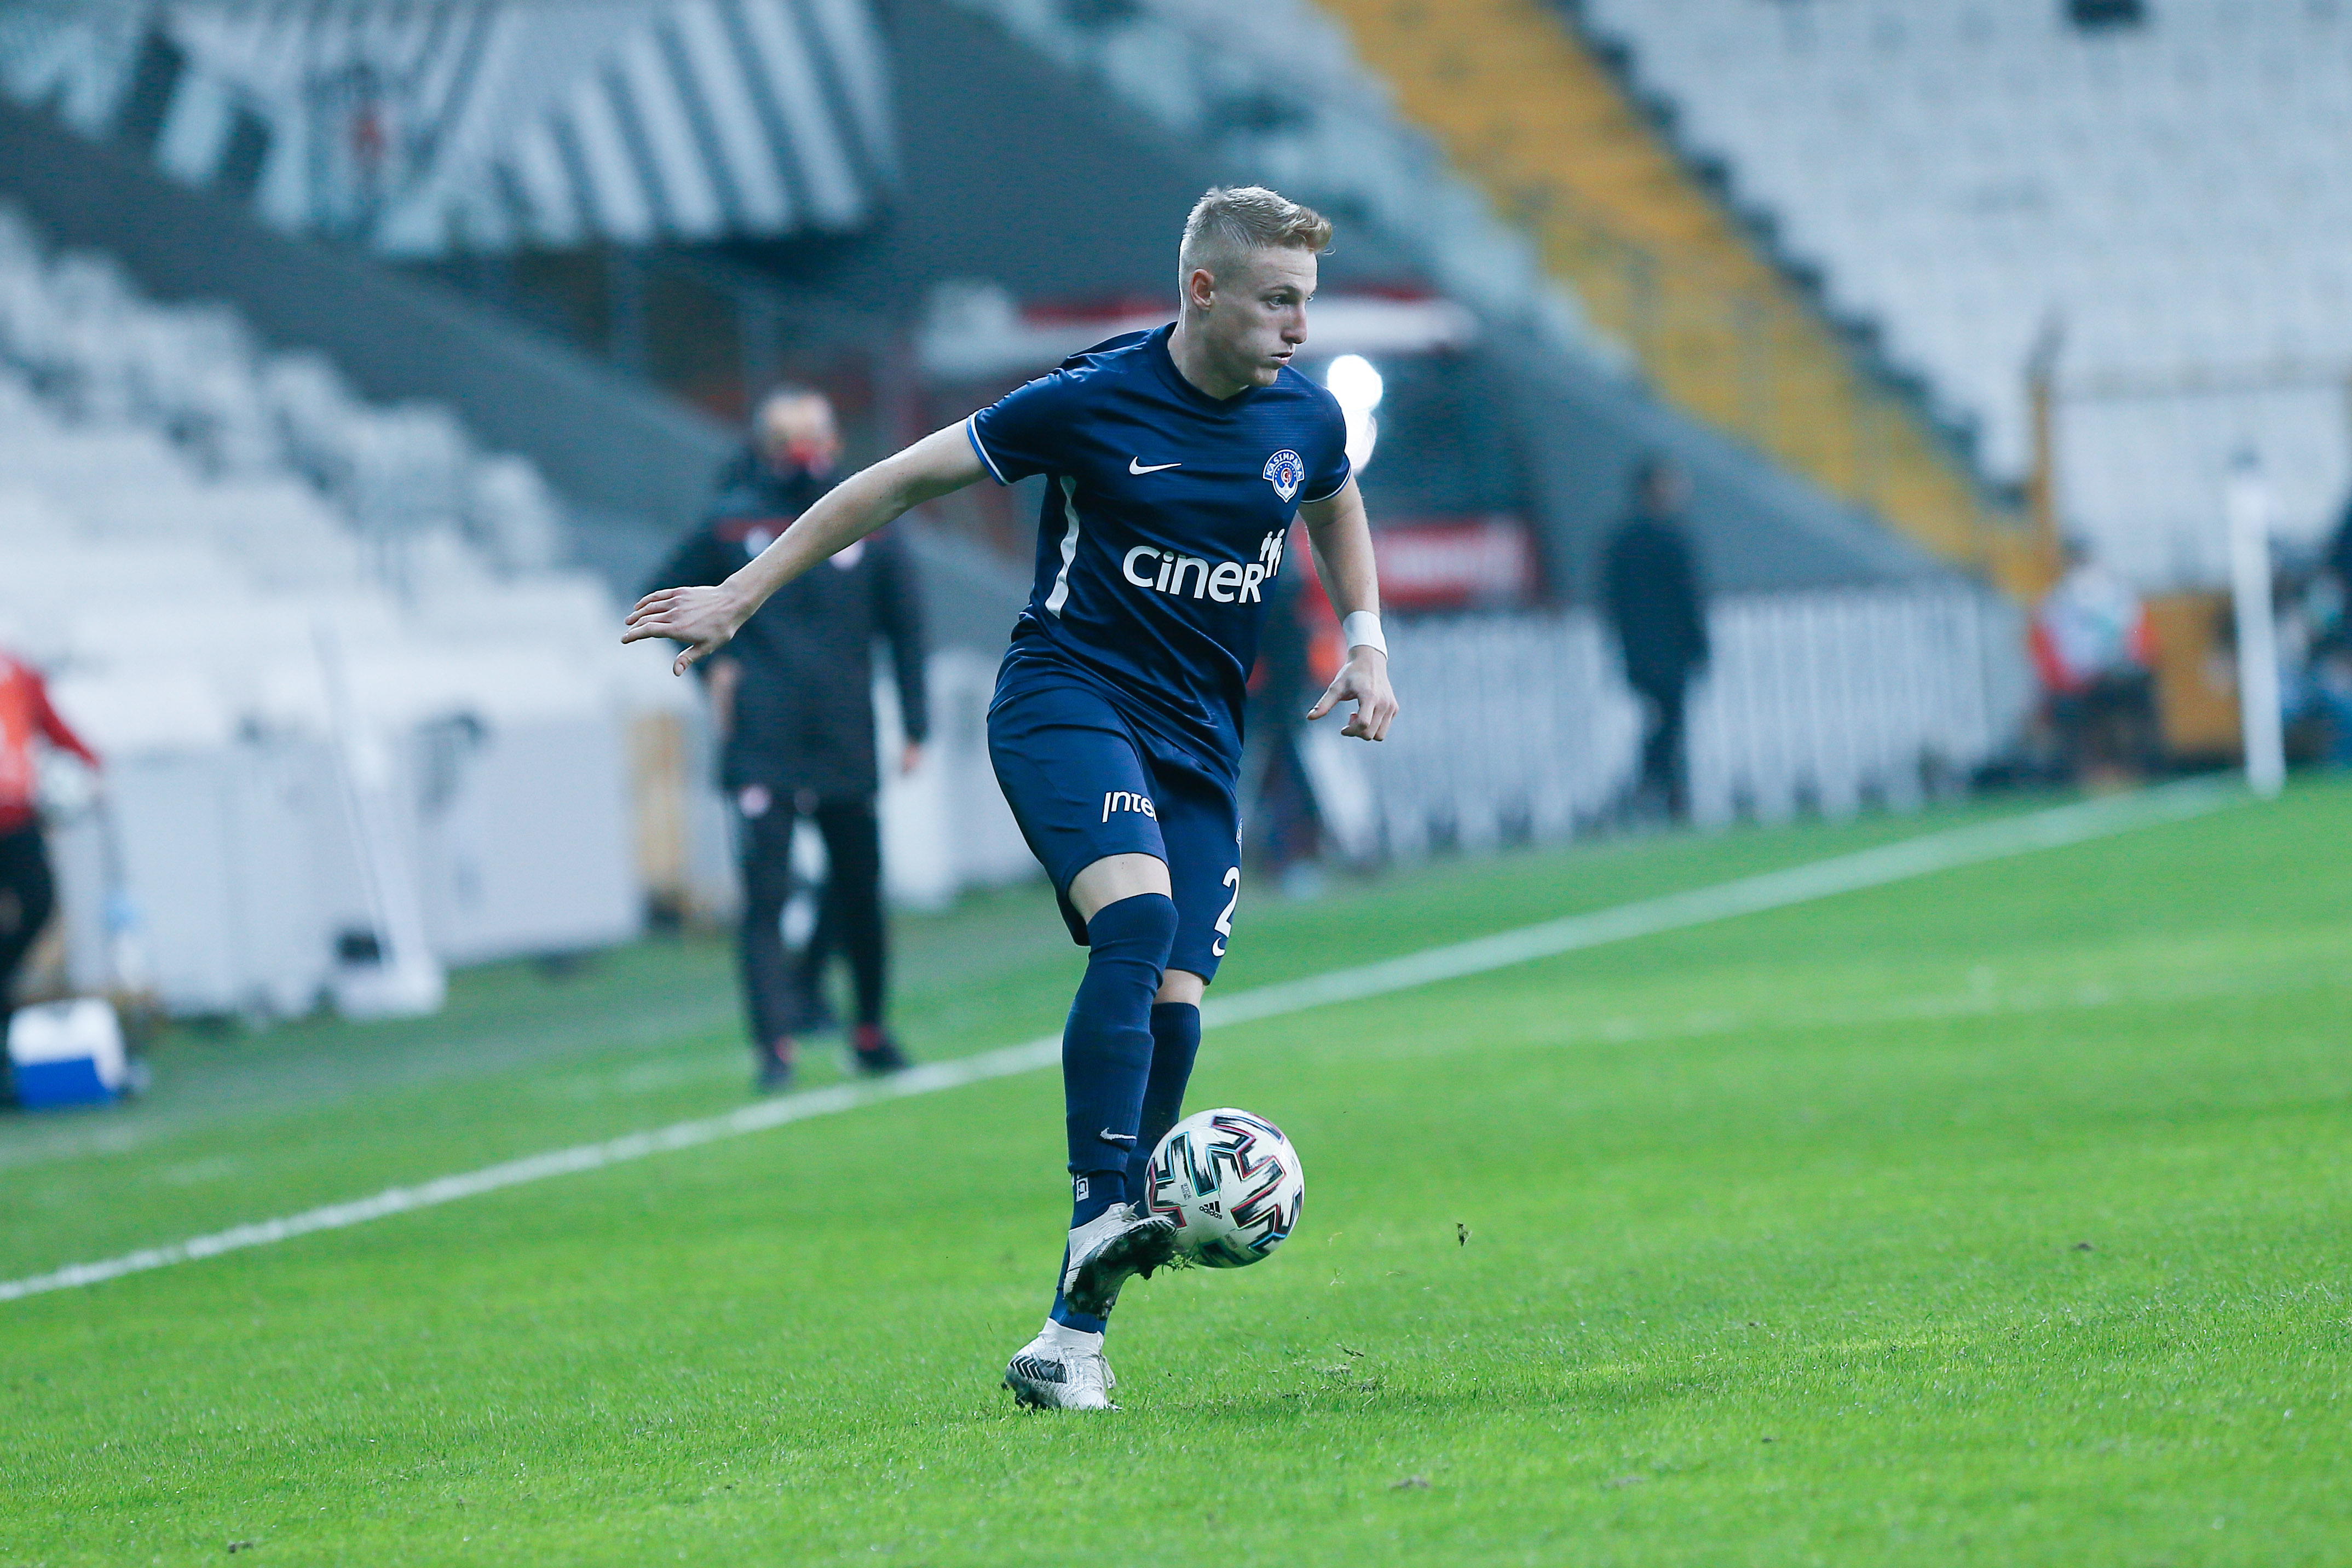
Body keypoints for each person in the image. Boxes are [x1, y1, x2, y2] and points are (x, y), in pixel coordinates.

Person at [626, 186, 1398, 1411]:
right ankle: (1102, 1206)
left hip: (1200, 746)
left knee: (1177, 1014)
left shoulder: (1301, 414)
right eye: (1278, 301)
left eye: (1307, 301)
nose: (1301, 327)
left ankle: (1069, 1341)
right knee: (1137, 923)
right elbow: (892, 483)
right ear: (1204, 291)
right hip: (1067, 701)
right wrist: (740, 593)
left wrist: (1365, 639)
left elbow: (1334, 498)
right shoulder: (1091, 399)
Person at [644, 388, 927, 1092]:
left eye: (815, 438)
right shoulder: (731, 520)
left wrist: (916, 722)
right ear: (765, 448)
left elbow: (906, 625)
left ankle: (869, 1029)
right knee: (765, 897)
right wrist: (712, 668)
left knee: (859, 887)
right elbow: (662, 596)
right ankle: (775, 1048)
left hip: (844, 736)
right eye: (789, 440)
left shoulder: (872, 518)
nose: (804, 454)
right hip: (761, 739)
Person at [1602, 457, 1709, 821]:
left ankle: (1667, 791)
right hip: (1668, 650)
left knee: (1665, 721)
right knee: (1670, 721)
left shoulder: (1621, 540)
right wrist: (1699, 645)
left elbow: (1613, 602)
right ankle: (1655, 787)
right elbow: (1686, 599)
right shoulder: (1669, 538)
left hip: (1638, 650)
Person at [1, 648, 100, 1021]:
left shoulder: (16, 672)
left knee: (39, 904)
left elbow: (50, 722)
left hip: (16, 817)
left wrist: (90, 762)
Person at [2030, 537, 2157, 783]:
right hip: (2086, 680)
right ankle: (2101, 769)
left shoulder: (2106, 593)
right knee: (2079, 710)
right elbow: (2049, 647)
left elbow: (2137, 636)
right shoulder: (2062, 599)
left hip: (2105, 676)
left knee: (2126, 703)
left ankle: (2128, 766)